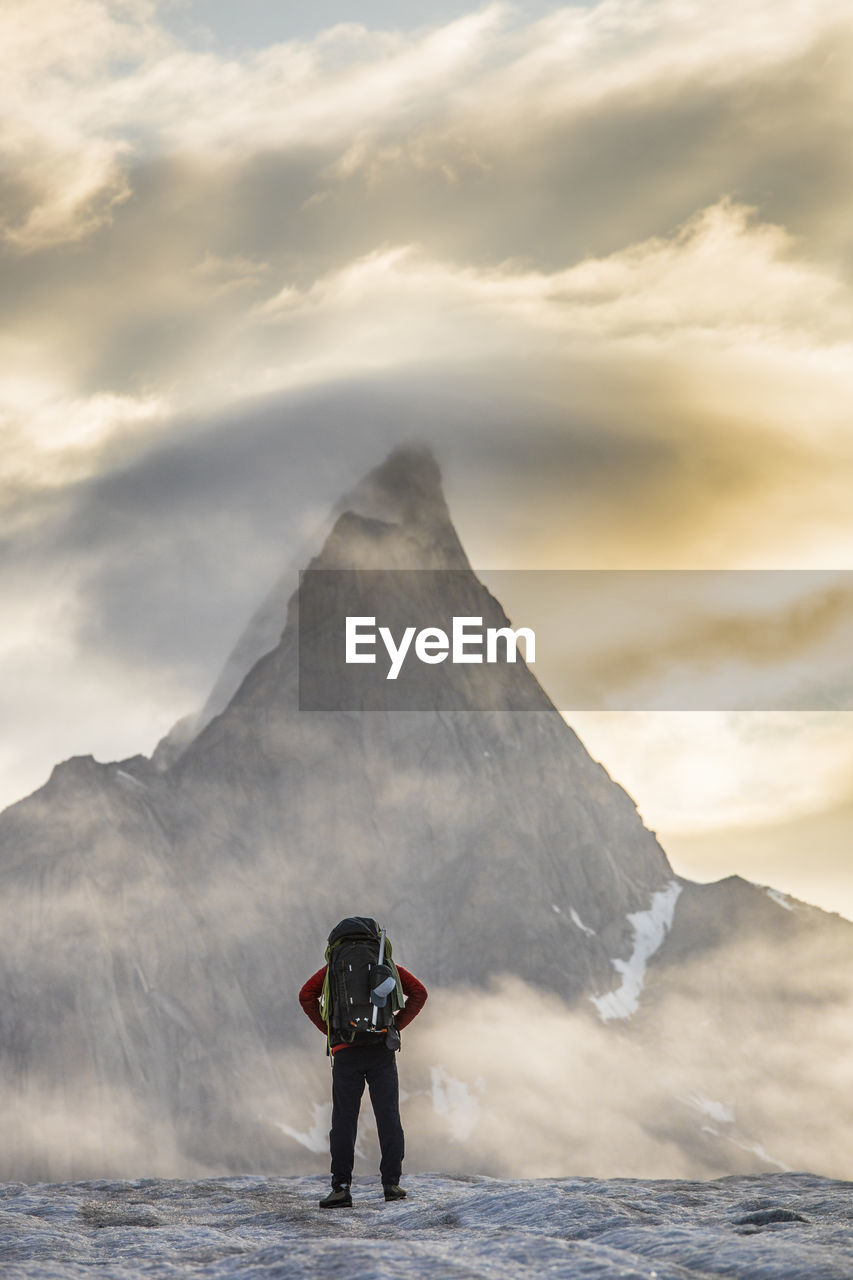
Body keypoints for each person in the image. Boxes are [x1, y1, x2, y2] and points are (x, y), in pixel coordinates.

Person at [299, 916, 428, 1208]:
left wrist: (332, 1032)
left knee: (344, 1120)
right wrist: (395, 1026)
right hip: (381, 1049)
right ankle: (391, 1184)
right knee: (388, 1116)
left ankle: (341, 1188)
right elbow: (419, 992)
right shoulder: (386, 965)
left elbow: (306, 995)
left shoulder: (333, 968)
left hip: (346, 1051)